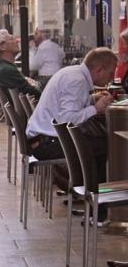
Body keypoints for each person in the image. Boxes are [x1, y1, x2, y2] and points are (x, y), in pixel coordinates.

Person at [26, 48, 117, 200]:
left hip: (42, 137)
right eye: (111, 73)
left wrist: (92, 99)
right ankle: (96, 202)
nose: (112, 77)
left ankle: (81, 188)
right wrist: (96, 108)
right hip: (47, 142)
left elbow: (69, 106)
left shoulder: (73, 73)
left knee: (99, 143)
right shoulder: (77, 80)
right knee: (107, 147)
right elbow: (66, 120)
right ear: (100, 70)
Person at [0, 29, 41, 100]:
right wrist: (36, 84)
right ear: (2, 46)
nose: (17, 41)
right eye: (12, 39)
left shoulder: (3, 67)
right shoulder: (6, 70)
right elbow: (36, 94)